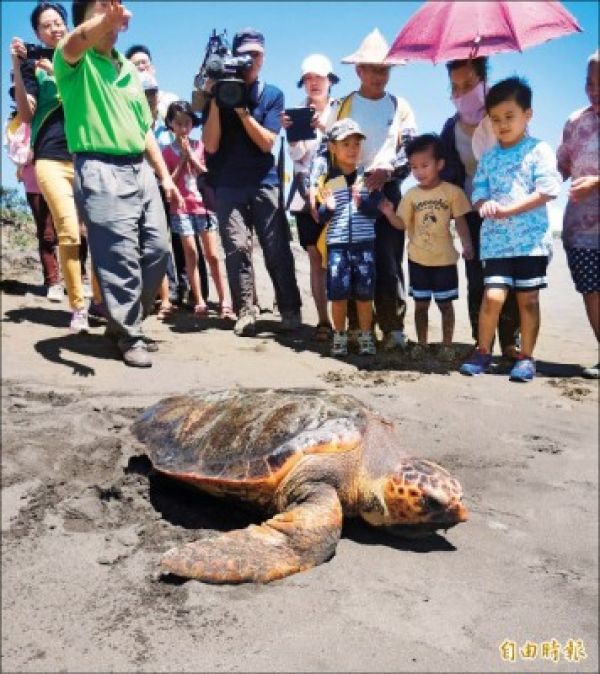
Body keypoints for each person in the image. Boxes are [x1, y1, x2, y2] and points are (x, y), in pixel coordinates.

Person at [54, 0, 181, 367]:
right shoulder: (72, 61)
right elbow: (76, 42)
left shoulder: (126, 66)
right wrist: (99, 21)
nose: (112, 21)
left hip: (139, 168)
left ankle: (124, 322)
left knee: (157, 249)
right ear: (85, 20)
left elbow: (144, 129)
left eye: (114, 13)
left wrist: (163, 177)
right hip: (99, 164)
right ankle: (129, 333)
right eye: (101, 14)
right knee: (119, 256)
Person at [319, 28, 416, 351]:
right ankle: (356, 331)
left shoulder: (400, 105)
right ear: (358, 70)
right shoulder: (342, 105)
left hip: (387, 192)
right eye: (373, 68)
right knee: (350, 261)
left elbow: (411, 150)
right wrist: (319, 191)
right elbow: (324, 150)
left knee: (388, 261)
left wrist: (390, 171)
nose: (379, 75)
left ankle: (392, 327)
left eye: (384, 68)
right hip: (348, 193)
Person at [459, 77, 562, 382]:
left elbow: (548, 190)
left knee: (528, 300)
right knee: (491, 297)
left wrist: (508, 209)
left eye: (509, 116)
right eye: (495, 119)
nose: (502, 125)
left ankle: (527, 357)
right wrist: (483, 204)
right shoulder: (488, 158)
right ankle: (482, 352)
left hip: (531, 243)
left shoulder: (539, 149)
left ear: (527, 115)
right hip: (496, 243)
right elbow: (478, 191)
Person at [202, 27, 302, 337]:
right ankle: (245, 311)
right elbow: (210, 145)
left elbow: (267, 143)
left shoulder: (272, 95)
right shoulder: (216, 91)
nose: (250, 61)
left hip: (264, 181)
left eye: (256, 54)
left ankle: (289, 310)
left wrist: (244, 112)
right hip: (228, 183)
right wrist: (218, 101)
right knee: (236, 248)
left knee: (276, 248)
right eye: (245, 54)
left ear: (264, 57)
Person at [9, 0, 98, 331]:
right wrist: (18, 67)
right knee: (68, 230)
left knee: (98, 232)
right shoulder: (34, 67)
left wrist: (59, 71)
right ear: (37, 33)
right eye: (46, 25)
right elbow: (27, 112)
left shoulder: (86, 56)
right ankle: (78, 306)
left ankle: (101, 301)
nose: (54, 28)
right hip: (49, 156)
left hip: (89, 154)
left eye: (58, 22)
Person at [440, 57, 521, 364]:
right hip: (473, 213)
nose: (463, 91)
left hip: (508, 211)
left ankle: (511, 342)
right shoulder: (451, 128)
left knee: (507, 277)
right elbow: (449, 174)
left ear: (485, 81)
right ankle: (481, 341)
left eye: (470, 84)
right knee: (477, 278)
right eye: (456, 87)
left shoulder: (502, 118)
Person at [380, 134, 473, 359]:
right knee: (420, 305)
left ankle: (447, 345)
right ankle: (422, 343)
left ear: (439, 164)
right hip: (417, 260)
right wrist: (390, 214)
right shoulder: (411, 195)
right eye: (413, 167)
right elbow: (402, 224)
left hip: (445, 261)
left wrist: (467, 244)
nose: (419, 171)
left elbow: (460, 220)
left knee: (445, 306)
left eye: (424, 165)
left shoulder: (452, 192)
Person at [282, 54, 339, 342]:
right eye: (308, 78)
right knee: (315, 257)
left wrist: (323, 128)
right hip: (305, 192)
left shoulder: (341, 109)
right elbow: (298, 157)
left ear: (330, 80)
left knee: (341, 255)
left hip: (338, 189)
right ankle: (323, 320)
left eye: (319, 77)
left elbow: (347, 147)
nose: (314, 83)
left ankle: (347, 319)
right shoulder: (297, 112)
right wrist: (292, 134)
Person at [162, 100, 232, 318]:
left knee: (212, 254)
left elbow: (206, 173)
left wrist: (191, 157)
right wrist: (182, 161)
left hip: (203, 206)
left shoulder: (200, 146)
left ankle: (224, 301)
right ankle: (199, 300)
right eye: (179, 123)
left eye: (188, 123)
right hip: (180, 207)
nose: (183, 128)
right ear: (170, 124)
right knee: (190, 253)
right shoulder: (166, 152)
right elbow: (168, 182)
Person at [318, 119, 382, 357]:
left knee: (365, 294)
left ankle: (366, 337)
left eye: (356, 143)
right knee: (338, 294)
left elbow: (376, 211)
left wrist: (362, 202)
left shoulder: (368, 178)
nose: (353, 149)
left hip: (365, 246)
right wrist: (328, 207)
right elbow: (321, 216)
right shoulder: (329, 181)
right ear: (333, 147)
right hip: (337, 247)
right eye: (346, 143)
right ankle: (339, 337)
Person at [557, 51, 599, 380]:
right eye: (589, 83)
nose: (594, 90)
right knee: (591, 290)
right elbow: (561, 166)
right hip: (580, 229)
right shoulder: (576, 121)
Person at [4, 111, 61, 299]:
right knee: (47, 234)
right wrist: (38, 151)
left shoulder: (55, 109)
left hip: (63, 179)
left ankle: (81, 278)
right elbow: (16, 154)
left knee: (76, 230)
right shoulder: (15, 123)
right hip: (35, 184)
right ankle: (53, 281)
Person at [124, 43, 178, 119]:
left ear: (153, 68)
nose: (141, 67)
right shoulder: (125, 103)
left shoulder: (170, 100)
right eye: (136, 64)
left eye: (144, 62)